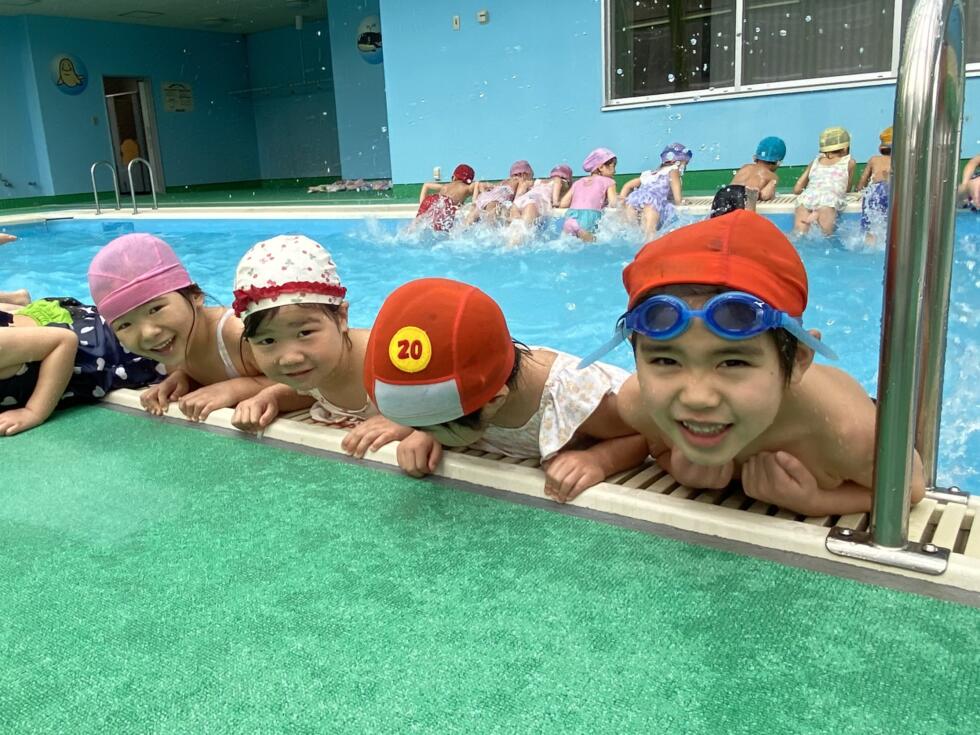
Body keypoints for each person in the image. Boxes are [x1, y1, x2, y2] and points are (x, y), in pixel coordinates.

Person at [580, 210, 925, 517]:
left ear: (799, 359)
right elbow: (652, 444)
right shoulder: (637, 402)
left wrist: (817, 501)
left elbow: (910, 489)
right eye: (666, 360)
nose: (697, 397)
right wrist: (677, 464)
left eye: (732, 363)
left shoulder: (849, 435)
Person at [362, 278, 649, 503]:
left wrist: (600, 460)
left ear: (492, 402)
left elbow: (644, 433)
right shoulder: (476, 393)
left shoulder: (573, 399)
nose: (416, 431)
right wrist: (424, 433)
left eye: (427, 425)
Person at [88, 233, 308, 424]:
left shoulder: (239, 336)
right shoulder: (172, 346)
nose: (147, 333)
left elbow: (317, 381)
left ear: (195, 296)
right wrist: (185, 379)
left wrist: (235, 389)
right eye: (125, 324)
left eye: (155, 309)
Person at [231, 234, 411, 453]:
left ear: (342, 317)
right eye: (268, 340)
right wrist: (270, 397)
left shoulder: (386, 360)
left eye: (305, 333)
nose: (290, 358)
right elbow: (307, 392)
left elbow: (449, 396)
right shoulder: (315, 369)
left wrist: (411, 423)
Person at [0, 297, 161, 436]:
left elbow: (64, 341)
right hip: (33, 330)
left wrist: (33, 412)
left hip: (90, 345)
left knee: (157, 351)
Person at [792, 126, 856, 236]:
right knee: (825, 237)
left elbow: (797, 189)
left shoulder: (815, 162)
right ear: (845, 148)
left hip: (807, 197)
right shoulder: (849, 162)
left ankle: (812, 216)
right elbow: (847, 188)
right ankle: (817, 214)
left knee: (798, 235)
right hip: (829, 200)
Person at [620, 143, 691, 239]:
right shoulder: (674, 170)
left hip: (635, 199)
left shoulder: (651, 173)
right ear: (679, 162)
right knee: (650, 234)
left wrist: (622, 199)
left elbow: (627, 185)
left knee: (633, 233)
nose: (685, 167)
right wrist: (681, 202)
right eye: (685, 164)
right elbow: (677, 199)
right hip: (653, 202)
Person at [710, 136, 785, 218]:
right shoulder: (772, 176)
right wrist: (772, 189)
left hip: (723, 193)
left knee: (716, 222)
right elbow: (765, 195)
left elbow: (733, 187)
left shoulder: (745, 166)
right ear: (778, 162)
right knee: (744, 223)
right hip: (743, 195)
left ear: (755, 158)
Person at [559, 148, 619, 242]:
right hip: (589, 217)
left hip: (571, 217)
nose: (615, 171)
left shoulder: (578, 182)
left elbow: (563, 204)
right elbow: (613, 203)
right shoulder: (609, 181)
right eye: (613, 166)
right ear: (601, 167)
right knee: (594, 243)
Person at [506, 164, 572, 244]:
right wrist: (555, 202)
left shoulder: (537, 182)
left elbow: (523, 186)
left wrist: (515, 201)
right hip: (532, 203)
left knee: (514, 229)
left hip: (518, 202)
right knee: (523, 230)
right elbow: (558, 183)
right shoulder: (557, 181)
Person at [465, 160, 534, 227]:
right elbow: (519, 194)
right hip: (495, 201)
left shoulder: (504, 182)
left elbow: (490, 188)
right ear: (524, 174)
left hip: (483, 198)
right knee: (491, 224)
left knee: (468, 222)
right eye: (530, 176)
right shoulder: (520, 181)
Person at [415, 164, 478, 232]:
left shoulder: (445, 186)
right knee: (445, 230)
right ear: (470, 181)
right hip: (445, 203)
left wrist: (422, 205)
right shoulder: (467, 188)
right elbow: (477, 185)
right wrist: (473, 206)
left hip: (432, 199)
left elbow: (426, 185)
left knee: (416, 225)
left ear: (453, 177)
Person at [856, 126, 893, 241]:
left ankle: (869, 242)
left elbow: (863, 179)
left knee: (869, 224)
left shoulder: (874, 159)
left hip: (874, 191)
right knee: (888, 222)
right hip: (890, 190)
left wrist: (859, 190)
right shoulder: (898, 161)